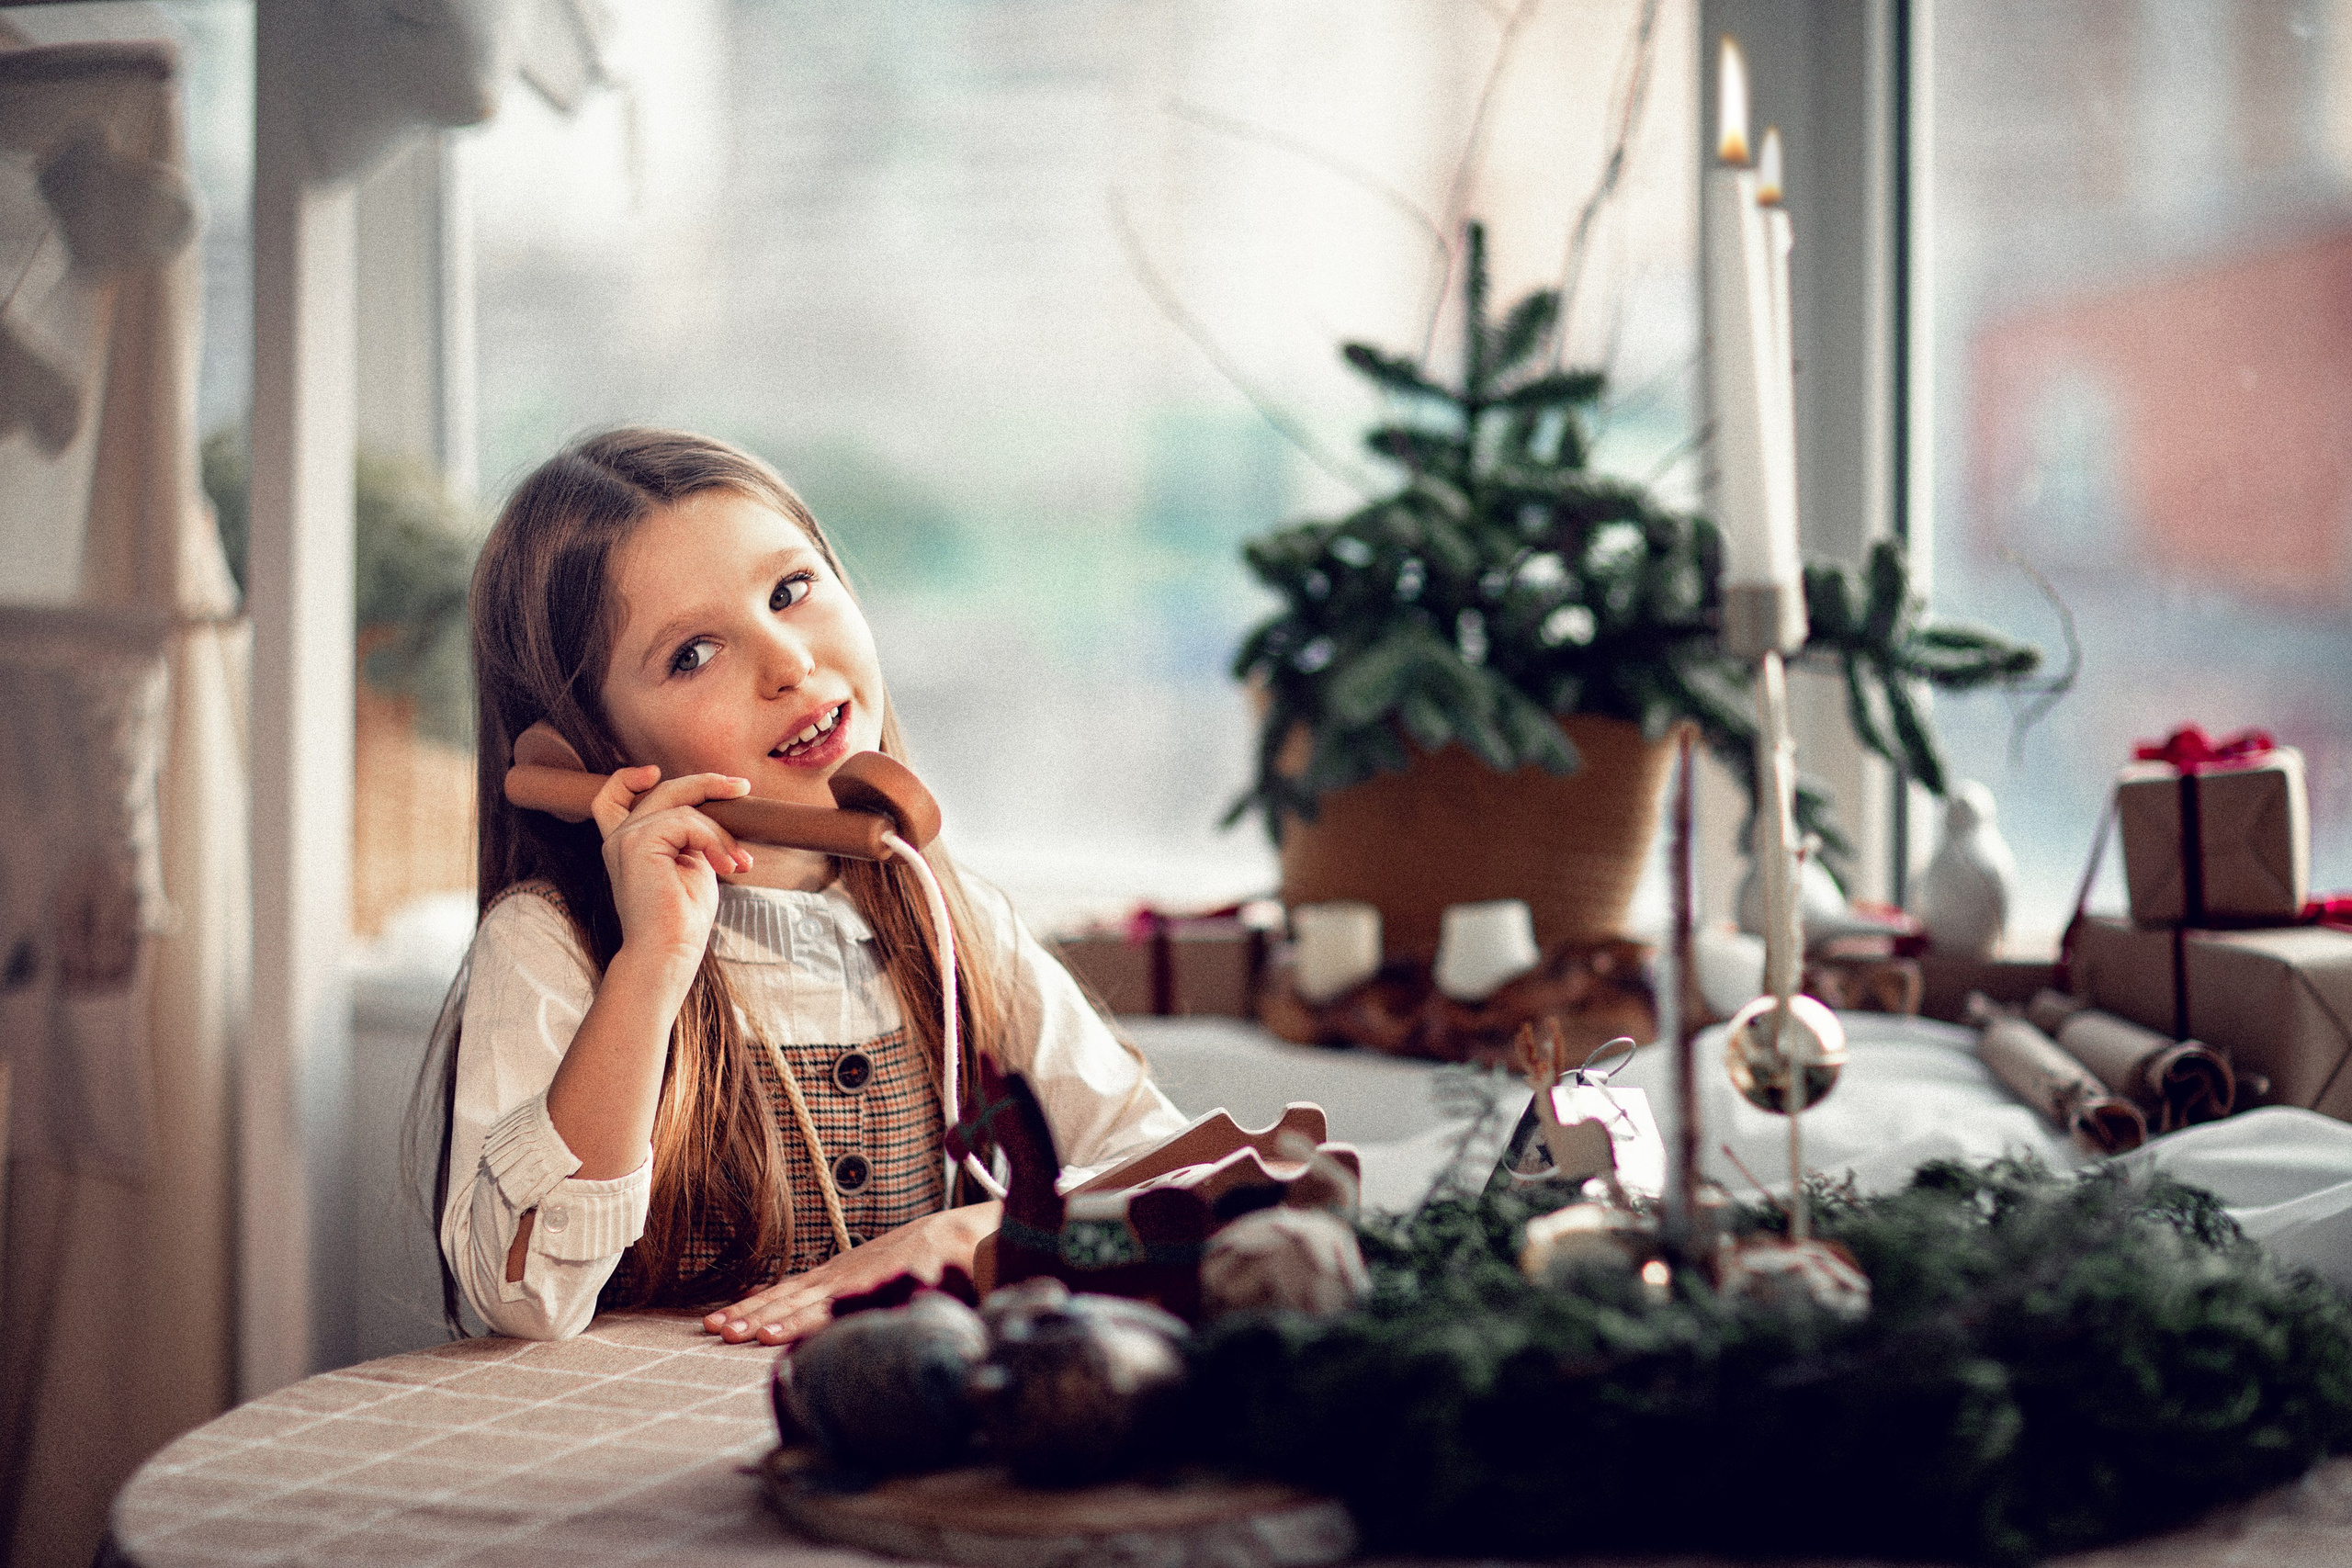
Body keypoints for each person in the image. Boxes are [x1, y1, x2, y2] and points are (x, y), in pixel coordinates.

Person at [419, 428, 1188, 1345]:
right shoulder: (551, 943)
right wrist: (652, 967)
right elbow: (522, 1297)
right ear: (598, 751)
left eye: (791, 590)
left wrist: (974, 1233)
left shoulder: (947, 919)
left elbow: (1171, 1180)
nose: (787, 663)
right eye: (693, 654)